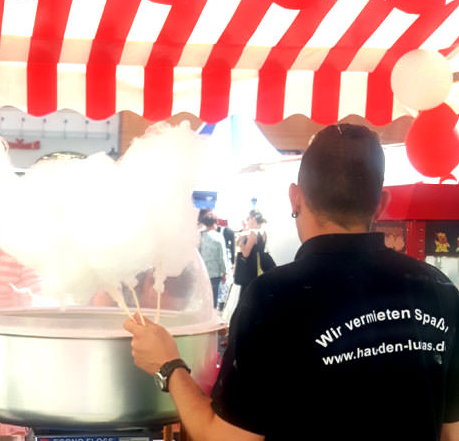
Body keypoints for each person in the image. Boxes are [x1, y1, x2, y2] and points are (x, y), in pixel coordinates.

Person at [124, 123, 459, 441]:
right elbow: (452, 433)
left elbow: (227, 437)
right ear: (381, 203)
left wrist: (168, 365)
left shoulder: (275, 296)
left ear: (295, 197)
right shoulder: (439, 289)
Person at [233, 209, 275, 289]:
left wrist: (242, 241)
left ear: (253, 219)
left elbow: (245, 254)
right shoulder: (262, 232)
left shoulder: (253, 233)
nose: (247, 221)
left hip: (251, 271)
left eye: (248, 218)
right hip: (259, 268)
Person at [198, 212, 227, 309]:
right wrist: (224, 272)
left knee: (203, 300)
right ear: (214, 223)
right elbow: (222, 257)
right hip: (215, 274)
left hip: (202, 274)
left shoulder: (200, 236)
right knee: (213, 300)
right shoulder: (219, 237)